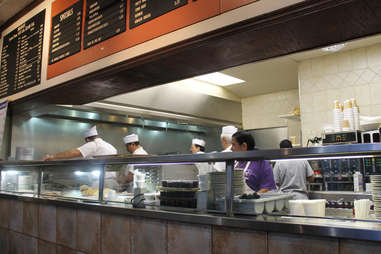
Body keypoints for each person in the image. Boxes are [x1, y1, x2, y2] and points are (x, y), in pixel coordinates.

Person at [42, 126, 117, 160]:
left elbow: (73, 153)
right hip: (112, 182)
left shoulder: (94, 144)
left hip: (100, 181)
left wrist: (52, 157)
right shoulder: (111, 146)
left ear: (87, 140)